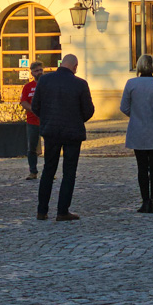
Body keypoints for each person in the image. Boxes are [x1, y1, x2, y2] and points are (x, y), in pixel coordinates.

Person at [32, 54, 95, 221]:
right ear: (75, 66)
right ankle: (62, 211)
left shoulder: (44, 81)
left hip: (51, 131)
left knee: (48, 170)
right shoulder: (80, 84)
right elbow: (88, 110)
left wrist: (46, 119)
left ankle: (42, 210)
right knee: (69, 172)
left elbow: (35, 106)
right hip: (72, 133)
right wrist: (77, 119)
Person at [120, 55, 153, 213]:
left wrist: (136, 114)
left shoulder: (131, 84)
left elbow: (124, 107)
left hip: (138, 131)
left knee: (142, 168)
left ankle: (145, 201)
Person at [20, 61, 44, 180]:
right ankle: (33, 172)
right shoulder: (28, 87)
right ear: (32, 73)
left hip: (47, 121)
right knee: (32, 148)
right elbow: (23, 102)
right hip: (32, 122)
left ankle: (50, 171)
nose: (39, 72)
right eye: (36, 71)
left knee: (51, 147)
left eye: (40, 70)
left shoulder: (48, 84)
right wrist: (33, 110)